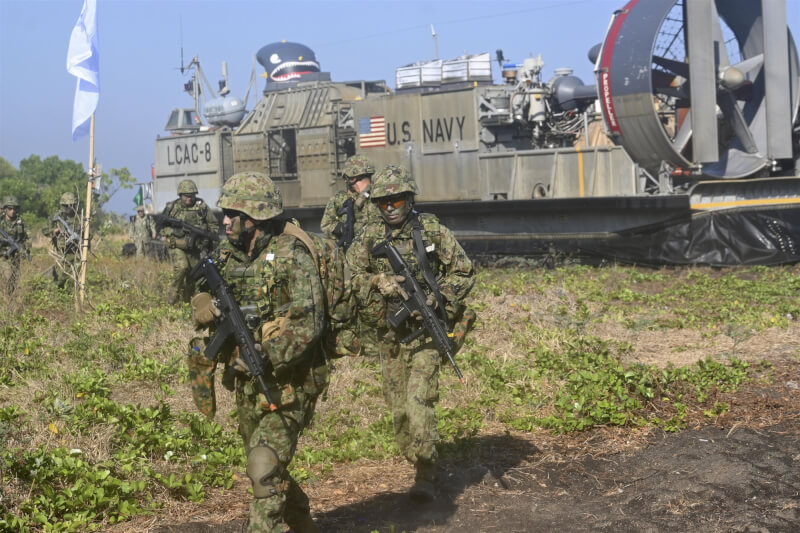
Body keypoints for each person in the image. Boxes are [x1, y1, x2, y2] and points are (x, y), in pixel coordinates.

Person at [189, 171, 327, 533]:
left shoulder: (291, 255)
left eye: (231, 214)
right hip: (244, 379)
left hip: (290, 381)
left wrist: (266, 355)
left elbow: (308, 323)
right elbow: (201, 291)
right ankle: (302, 520)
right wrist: (202, 305)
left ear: (253, 217)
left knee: (263, 465)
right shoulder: (227, 253)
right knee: (259, 461)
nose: (225, 221)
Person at [345, 164, 475, 502]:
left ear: (409, 199)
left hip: (427, 333)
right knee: (399, 411)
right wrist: (377, 281)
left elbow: (463, 271)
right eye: (383, 202)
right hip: (390, 336)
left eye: (397, 201)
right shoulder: (369, 237)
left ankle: (426, 476)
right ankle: (417, 456)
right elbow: (349, 277)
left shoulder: (431, 231)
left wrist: (436, 297)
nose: (389, 207)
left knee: (419, 402)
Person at [158, 179, 219, 304]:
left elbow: (214, 225)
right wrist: (174, 231)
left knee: (193, 276)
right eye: (186, 196)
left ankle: (187, 303)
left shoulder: (201, 206)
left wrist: (207, 239)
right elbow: (160, 226)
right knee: (182, 267)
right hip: (177, 245)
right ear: (180, 195)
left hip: (195, 247)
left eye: (192, 196)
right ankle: (171, 300)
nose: (189, 199)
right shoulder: (172, 207)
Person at [320, 154, 377, 249]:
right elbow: (326, 224)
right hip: (348, 249)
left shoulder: (378, 197)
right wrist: (341, 228)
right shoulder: (340, 199)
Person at [46, 192, 82, 290]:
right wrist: (55, 231)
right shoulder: (57, 217)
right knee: (61, 276)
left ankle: (72, 296)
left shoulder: (79, 218)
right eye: (66, 206)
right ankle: (56, 293)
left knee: (76, 277)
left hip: (76, 252)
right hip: (61, 251)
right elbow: (45, 230)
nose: (68, 208)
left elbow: (88, 234)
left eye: (71, 205)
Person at [0, 196, 28, 293]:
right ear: (5, 209)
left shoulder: (20, 222)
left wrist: (25, 249)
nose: (12, 211)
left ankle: (12, 302)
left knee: (15, 280)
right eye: (10, 208)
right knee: (7, 277)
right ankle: (5, 299)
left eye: (14, 209)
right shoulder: (1, 221)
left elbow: (27, 237)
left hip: (16, 256)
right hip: (3, 256)